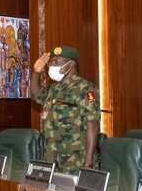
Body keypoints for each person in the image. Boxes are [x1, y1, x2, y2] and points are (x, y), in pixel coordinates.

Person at [31, 46, 100, 174]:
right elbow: (36, 94)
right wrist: (36, 72)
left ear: (71, 64)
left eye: (57, 62)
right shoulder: (53, 88)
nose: (52, 66)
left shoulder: (87, 89)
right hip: (52, 158)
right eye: (51, 62)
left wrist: (88, 163)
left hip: (75, 161)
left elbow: (93, 125)